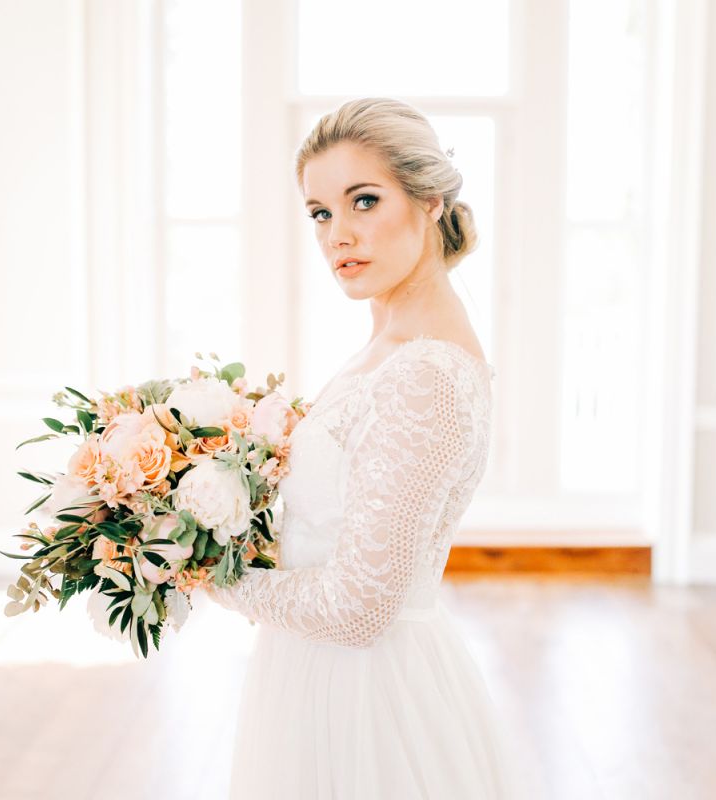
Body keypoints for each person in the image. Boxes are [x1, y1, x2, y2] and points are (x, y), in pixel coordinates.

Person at [204, 96, 519, 799]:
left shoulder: (427, 373)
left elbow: (358, 609)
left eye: (364, 201)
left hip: (365, 701)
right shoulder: (390, 344)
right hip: (316, 676)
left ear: (430, 199)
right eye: (320, 213)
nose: (338, 235)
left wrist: (202, 573)